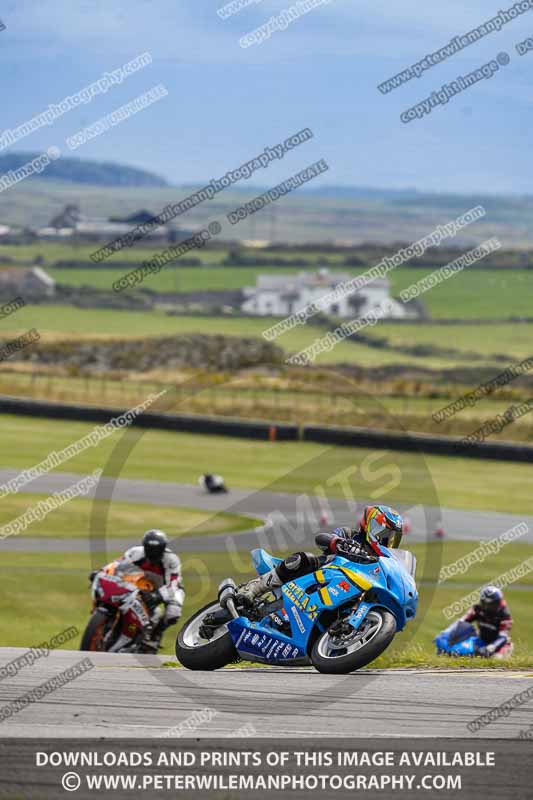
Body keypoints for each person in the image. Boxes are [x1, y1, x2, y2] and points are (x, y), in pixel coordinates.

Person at [238, 505, 403, 604]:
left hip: (345, 593)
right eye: (384, 534)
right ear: (370, 525)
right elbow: (322, 538)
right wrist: (339, 543)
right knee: (304, 559)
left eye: (392, 538)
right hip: (322, 577)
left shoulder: (381, 562)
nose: (387, 541)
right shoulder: (349, 535)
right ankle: (254, 587)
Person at [94, 529, 185, 652]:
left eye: (157, 549)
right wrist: (101, 571)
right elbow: (117, 565)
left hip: (169, 588)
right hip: (142, 584)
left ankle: (154, 636)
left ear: (163, 548)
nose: (153, 553)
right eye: (149, 548)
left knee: (173, 613)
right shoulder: (136, 552)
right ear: (144, 546)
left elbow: (173, 583)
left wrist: (157, 595)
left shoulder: (172, 559)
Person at [461, 586, 513, 657]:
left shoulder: (505, 615)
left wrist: (489, 649)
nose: (488, 606)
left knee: (496, 658)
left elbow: (503, 637)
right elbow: (462, 622)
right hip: (481, 640)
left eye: (492, 604)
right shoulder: (477, 609)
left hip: (500, 645)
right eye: (486, 604)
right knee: (462, 651)